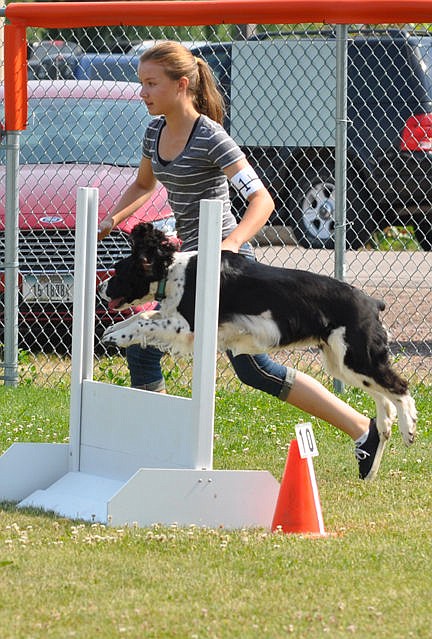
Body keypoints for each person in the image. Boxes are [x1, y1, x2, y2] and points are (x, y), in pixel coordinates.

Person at [98, 41, 386, 481]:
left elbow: (261, 200)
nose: (143, 93)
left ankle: (362, 429)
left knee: (250, 367)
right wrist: (112, 218)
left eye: (151, 84)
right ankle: (156, 449)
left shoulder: (212, 136)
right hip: (185, 268)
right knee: (147, 345)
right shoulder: (154, 132)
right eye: (141, 84)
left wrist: (230, 243)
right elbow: (142, 184)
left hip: (228, 266)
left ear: (182, 86)